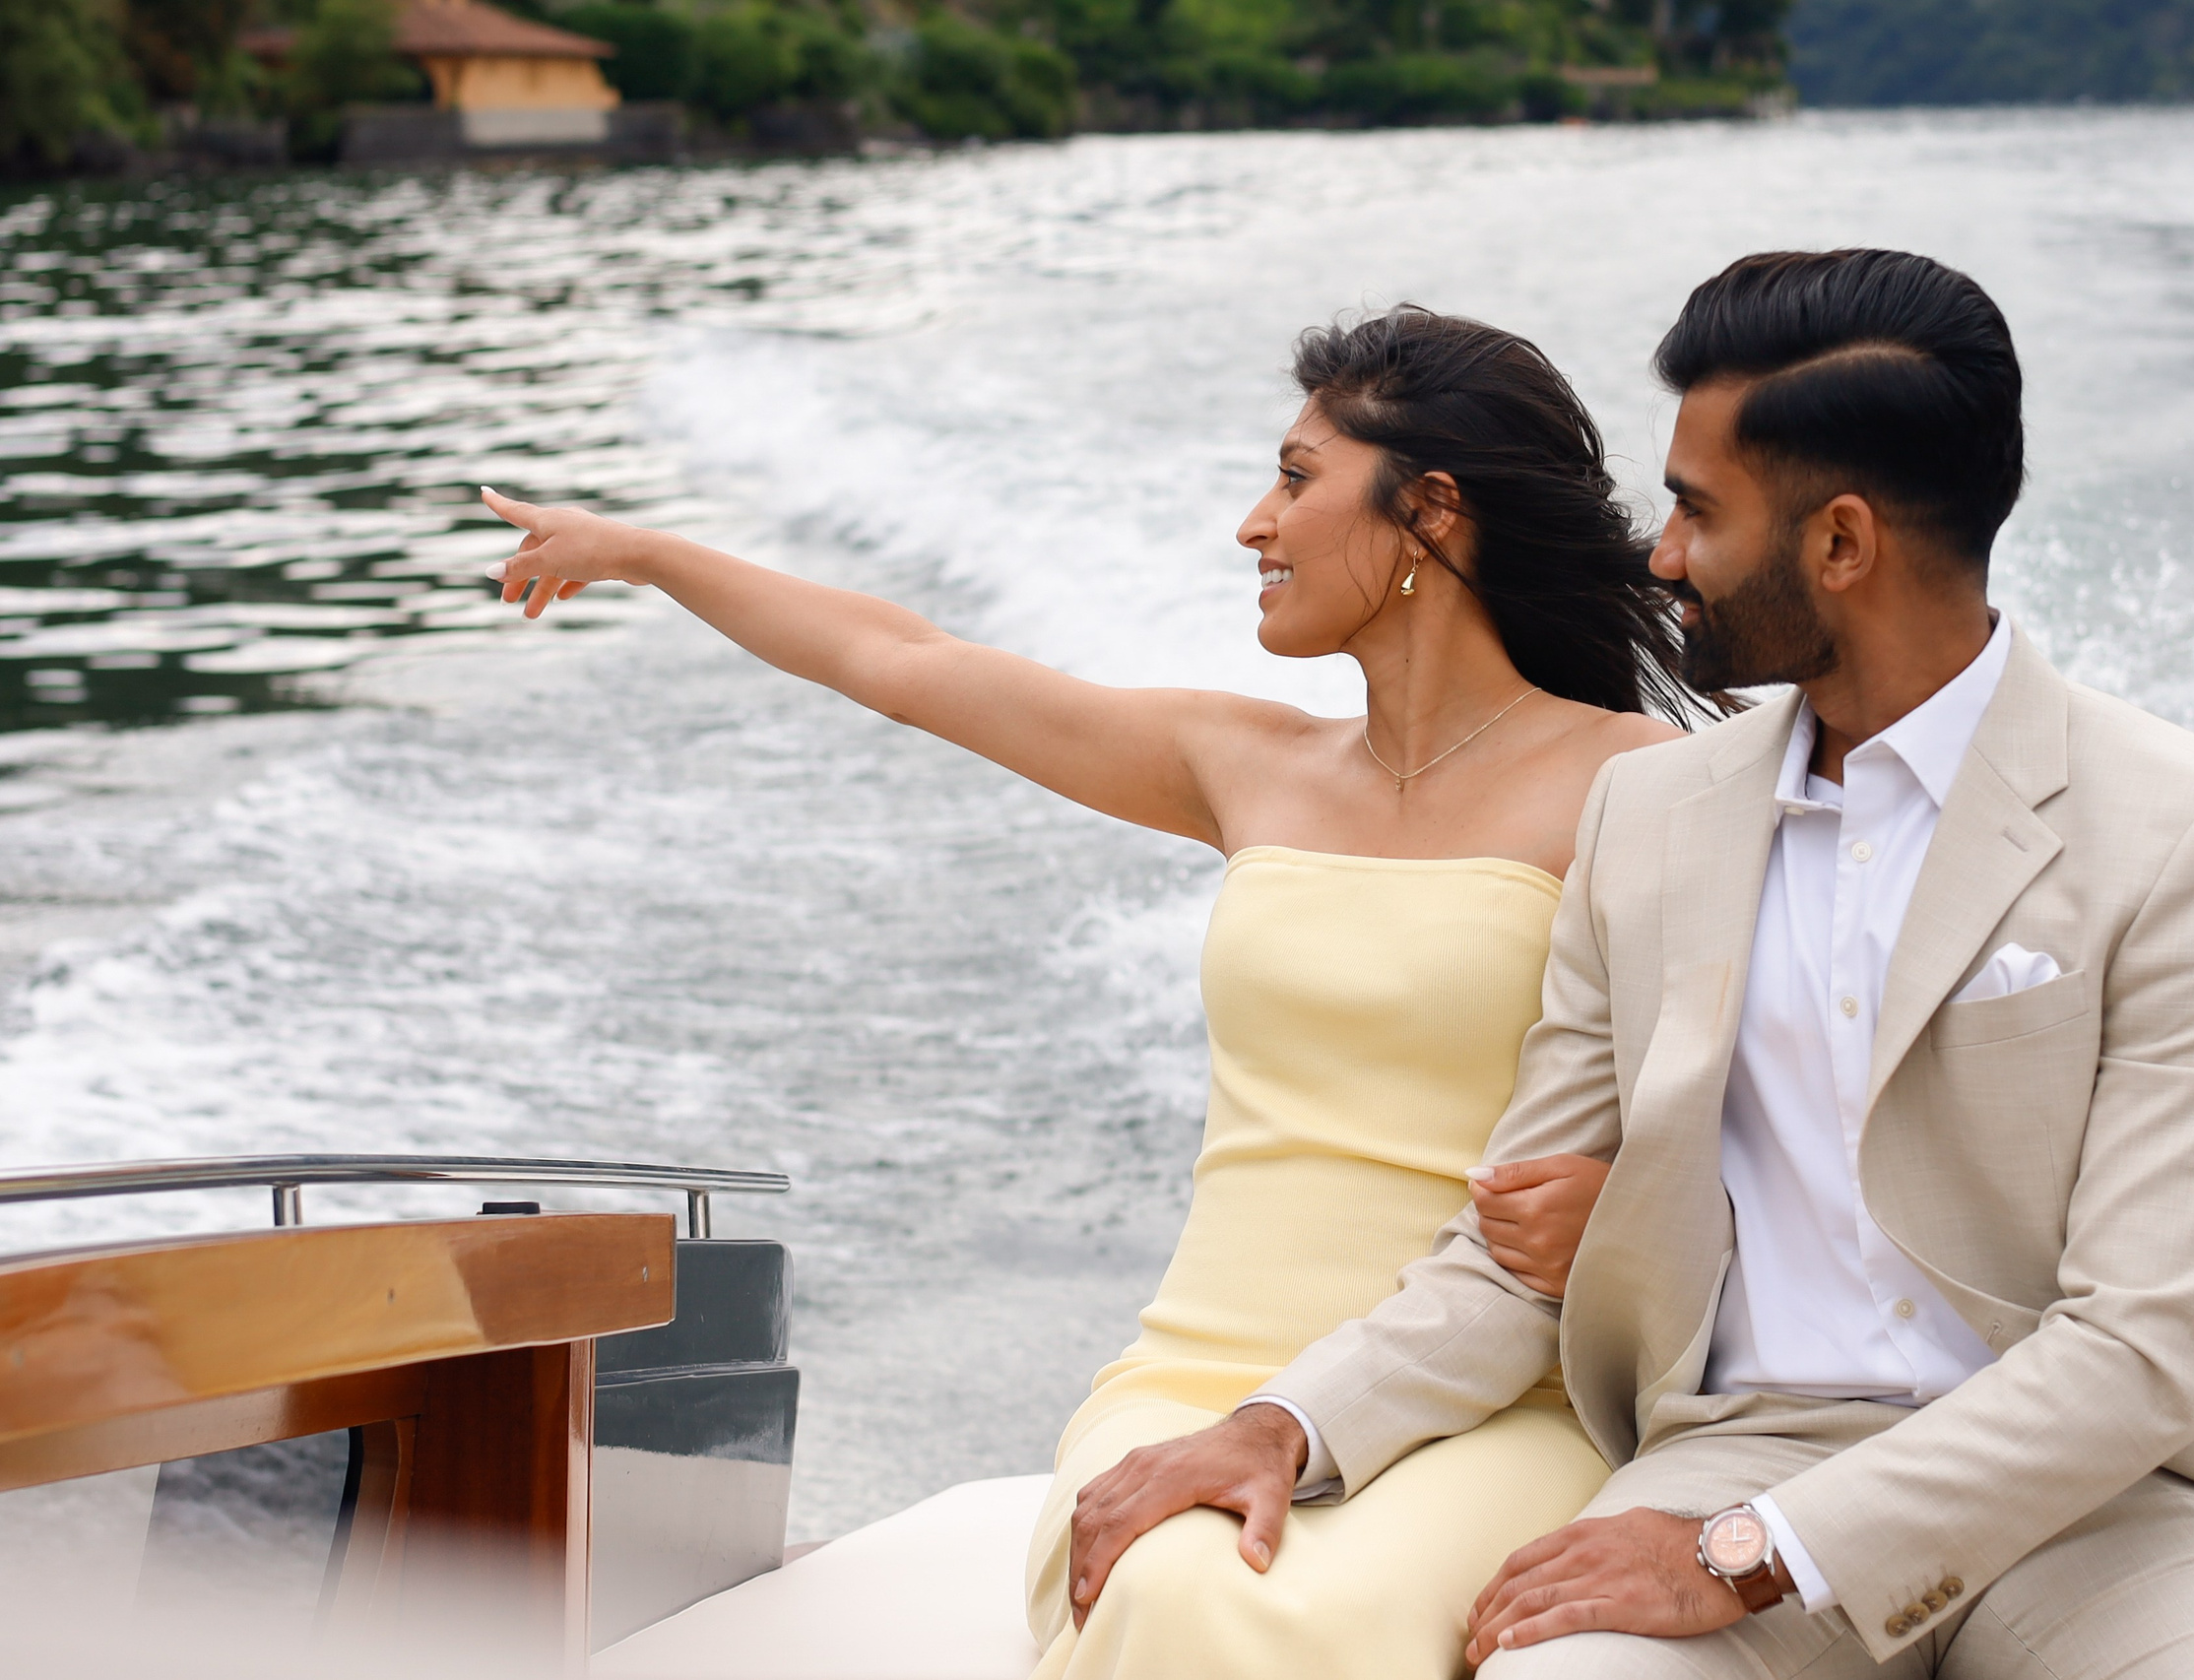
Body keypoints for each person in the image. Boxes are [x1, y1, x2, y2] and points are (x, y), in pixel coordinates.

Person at [1063, 250, 2194, 1680]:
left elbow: (2143, 1345)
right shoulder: (1648, 818)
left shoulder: (2190, 827)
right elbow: (1511, 1258)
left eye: (1697, 510)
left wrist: (1756, 1550)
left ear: (1840, 544)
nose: (1659, 553)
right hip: (1733, 1453)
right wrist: (1282, 1424)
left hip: (2118, 1506)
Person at [479, 306, 1734, 1680]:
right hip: (1195, 1365)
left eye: (1298, 479)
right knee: (1164, 1570)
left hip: (1497, 1397)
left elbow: (1766, 1122)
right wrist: (646, 552)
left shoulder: (1636, 786)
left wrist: (1629, 1210)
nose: (1255, 525)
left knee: (1235, 1606)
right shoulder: (1244, 762)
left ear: (1430, 511)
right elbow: (904, 665)